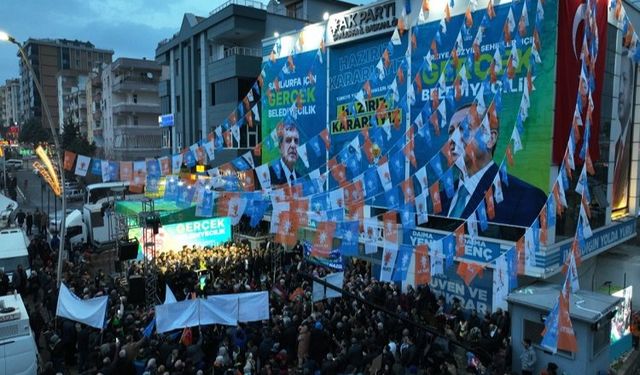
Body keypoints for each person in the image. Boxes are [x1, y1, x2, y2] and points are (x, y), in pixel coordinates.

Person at [442, 104, 547, 228]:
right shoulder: (441, 197)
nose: (453, 139)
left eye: (463, 128)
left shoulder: (526, 198)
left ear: (490, 139)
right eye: (451, 131)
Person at [612, 50, 635, 210]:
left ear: (632, 88)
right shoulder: (613, 144)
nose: (620, 90)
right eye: (617, 79)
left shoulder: (632, 143)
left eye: (624, 80)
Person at [269, 121, 301, 186]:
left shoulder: (301, 179)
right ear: (280, 147)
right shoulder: (269, 176)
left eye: (296, 141)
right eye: (288, 140)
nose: (293, 145)